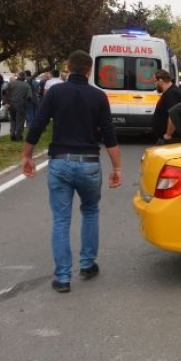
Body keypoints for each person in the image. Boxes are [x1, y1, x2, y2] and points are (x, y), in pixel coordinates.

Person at [21, 50, 122, 293]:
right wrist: (117, 167)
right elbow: (109, 134)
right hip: (89, 163)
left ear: (67, 67)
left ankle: (63, 278)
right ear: (89, 70)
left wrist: (27, 154)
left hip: (60, 162)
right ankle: (87, 264)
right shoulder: (99, 97)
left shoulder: (55, 92)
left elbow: (38, 123)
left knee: (61, 220)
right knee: (90, 212)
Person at [151, 69, 181, 144]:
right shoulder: (171, 91)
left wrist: (168, 135)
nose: (154, 84)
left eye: (155, 82)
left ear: (160, 81)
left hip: (170, 139)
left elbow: (173, 116)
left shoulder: (171, 94)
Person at [5, 73, 35, 141]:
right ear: (24, 78)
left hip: (11, 104)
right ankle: (18, 135)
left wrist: (7, 102)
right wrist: (28, 103)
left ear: (18, 77)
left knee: (13, 120)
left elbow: (5, 92)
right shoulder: (26, 85)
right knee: (20, 121)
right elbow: (29, 97)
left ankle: (12, 133)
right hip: (21, 105)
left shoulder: (11, 83)